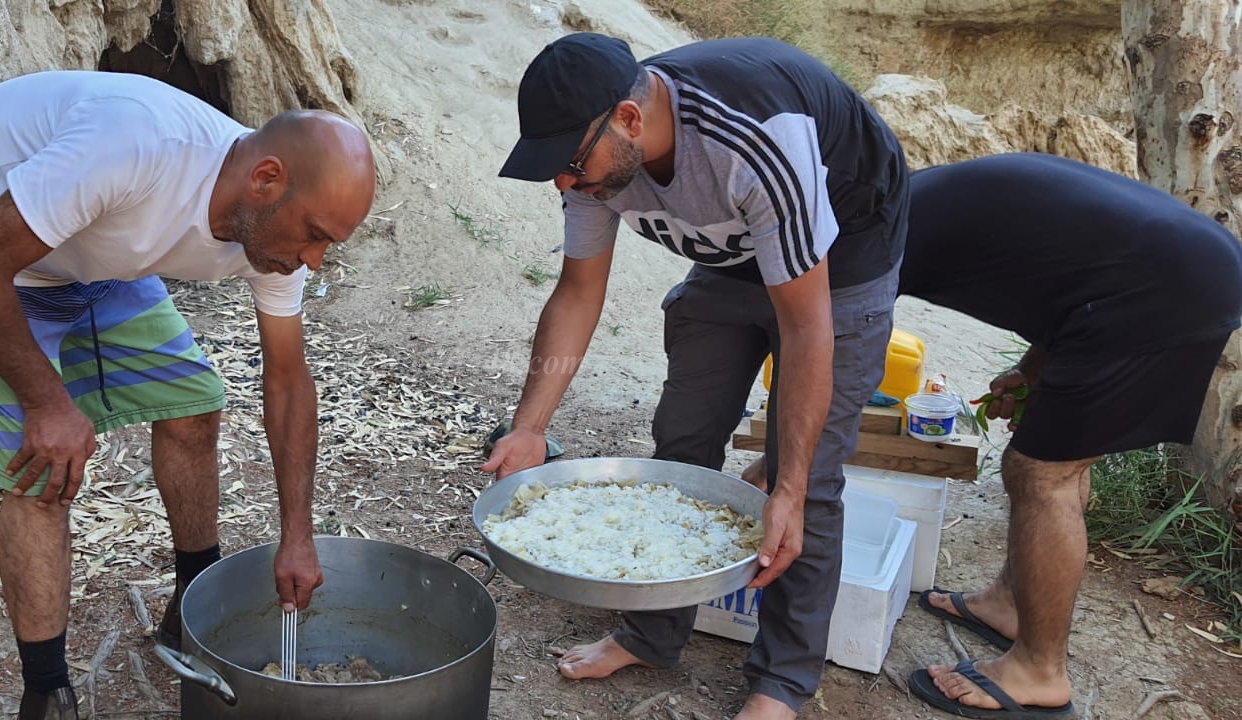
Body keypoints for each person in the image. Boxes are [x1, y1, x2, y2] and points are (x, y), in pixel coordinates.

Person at [0, 70, 377, 719]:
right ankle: (46, 692)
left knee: (193, 401)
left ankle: (190, 603)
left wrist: (297, 534)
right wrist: (48, 404)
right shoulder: (134, 147)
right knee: (45, 469)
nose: (315, 260)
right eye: (315, 234)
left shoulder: (271, 233)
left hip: (94, 248)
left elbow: (287, 382)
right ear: (264, 180)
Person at [485, 33, 909, 720]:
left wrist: (787, 479)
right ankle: (650, 634)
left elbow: (806, 330)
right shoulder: (595, 161)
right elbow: (577, 292)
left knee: (805, 478)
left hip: (847, 246)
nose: (564, 183)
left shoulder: (756, 142)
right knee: (682, 437)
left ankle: (783, 681)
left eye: (568, 164)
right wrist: (530, 427)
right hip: (732, 249)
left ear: (628, 119)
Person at [894, 153, 1241, 718]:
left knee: (1044, 472)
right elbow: (1069, 273)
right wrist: (1032, 370)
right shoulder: (926, 200)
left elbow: (844, 348)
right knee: (1050, 456)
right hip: (1171, 267)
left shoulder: (879, 234)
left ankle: (1039, 671)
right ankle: (1010, 604)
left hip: (1162, 288)